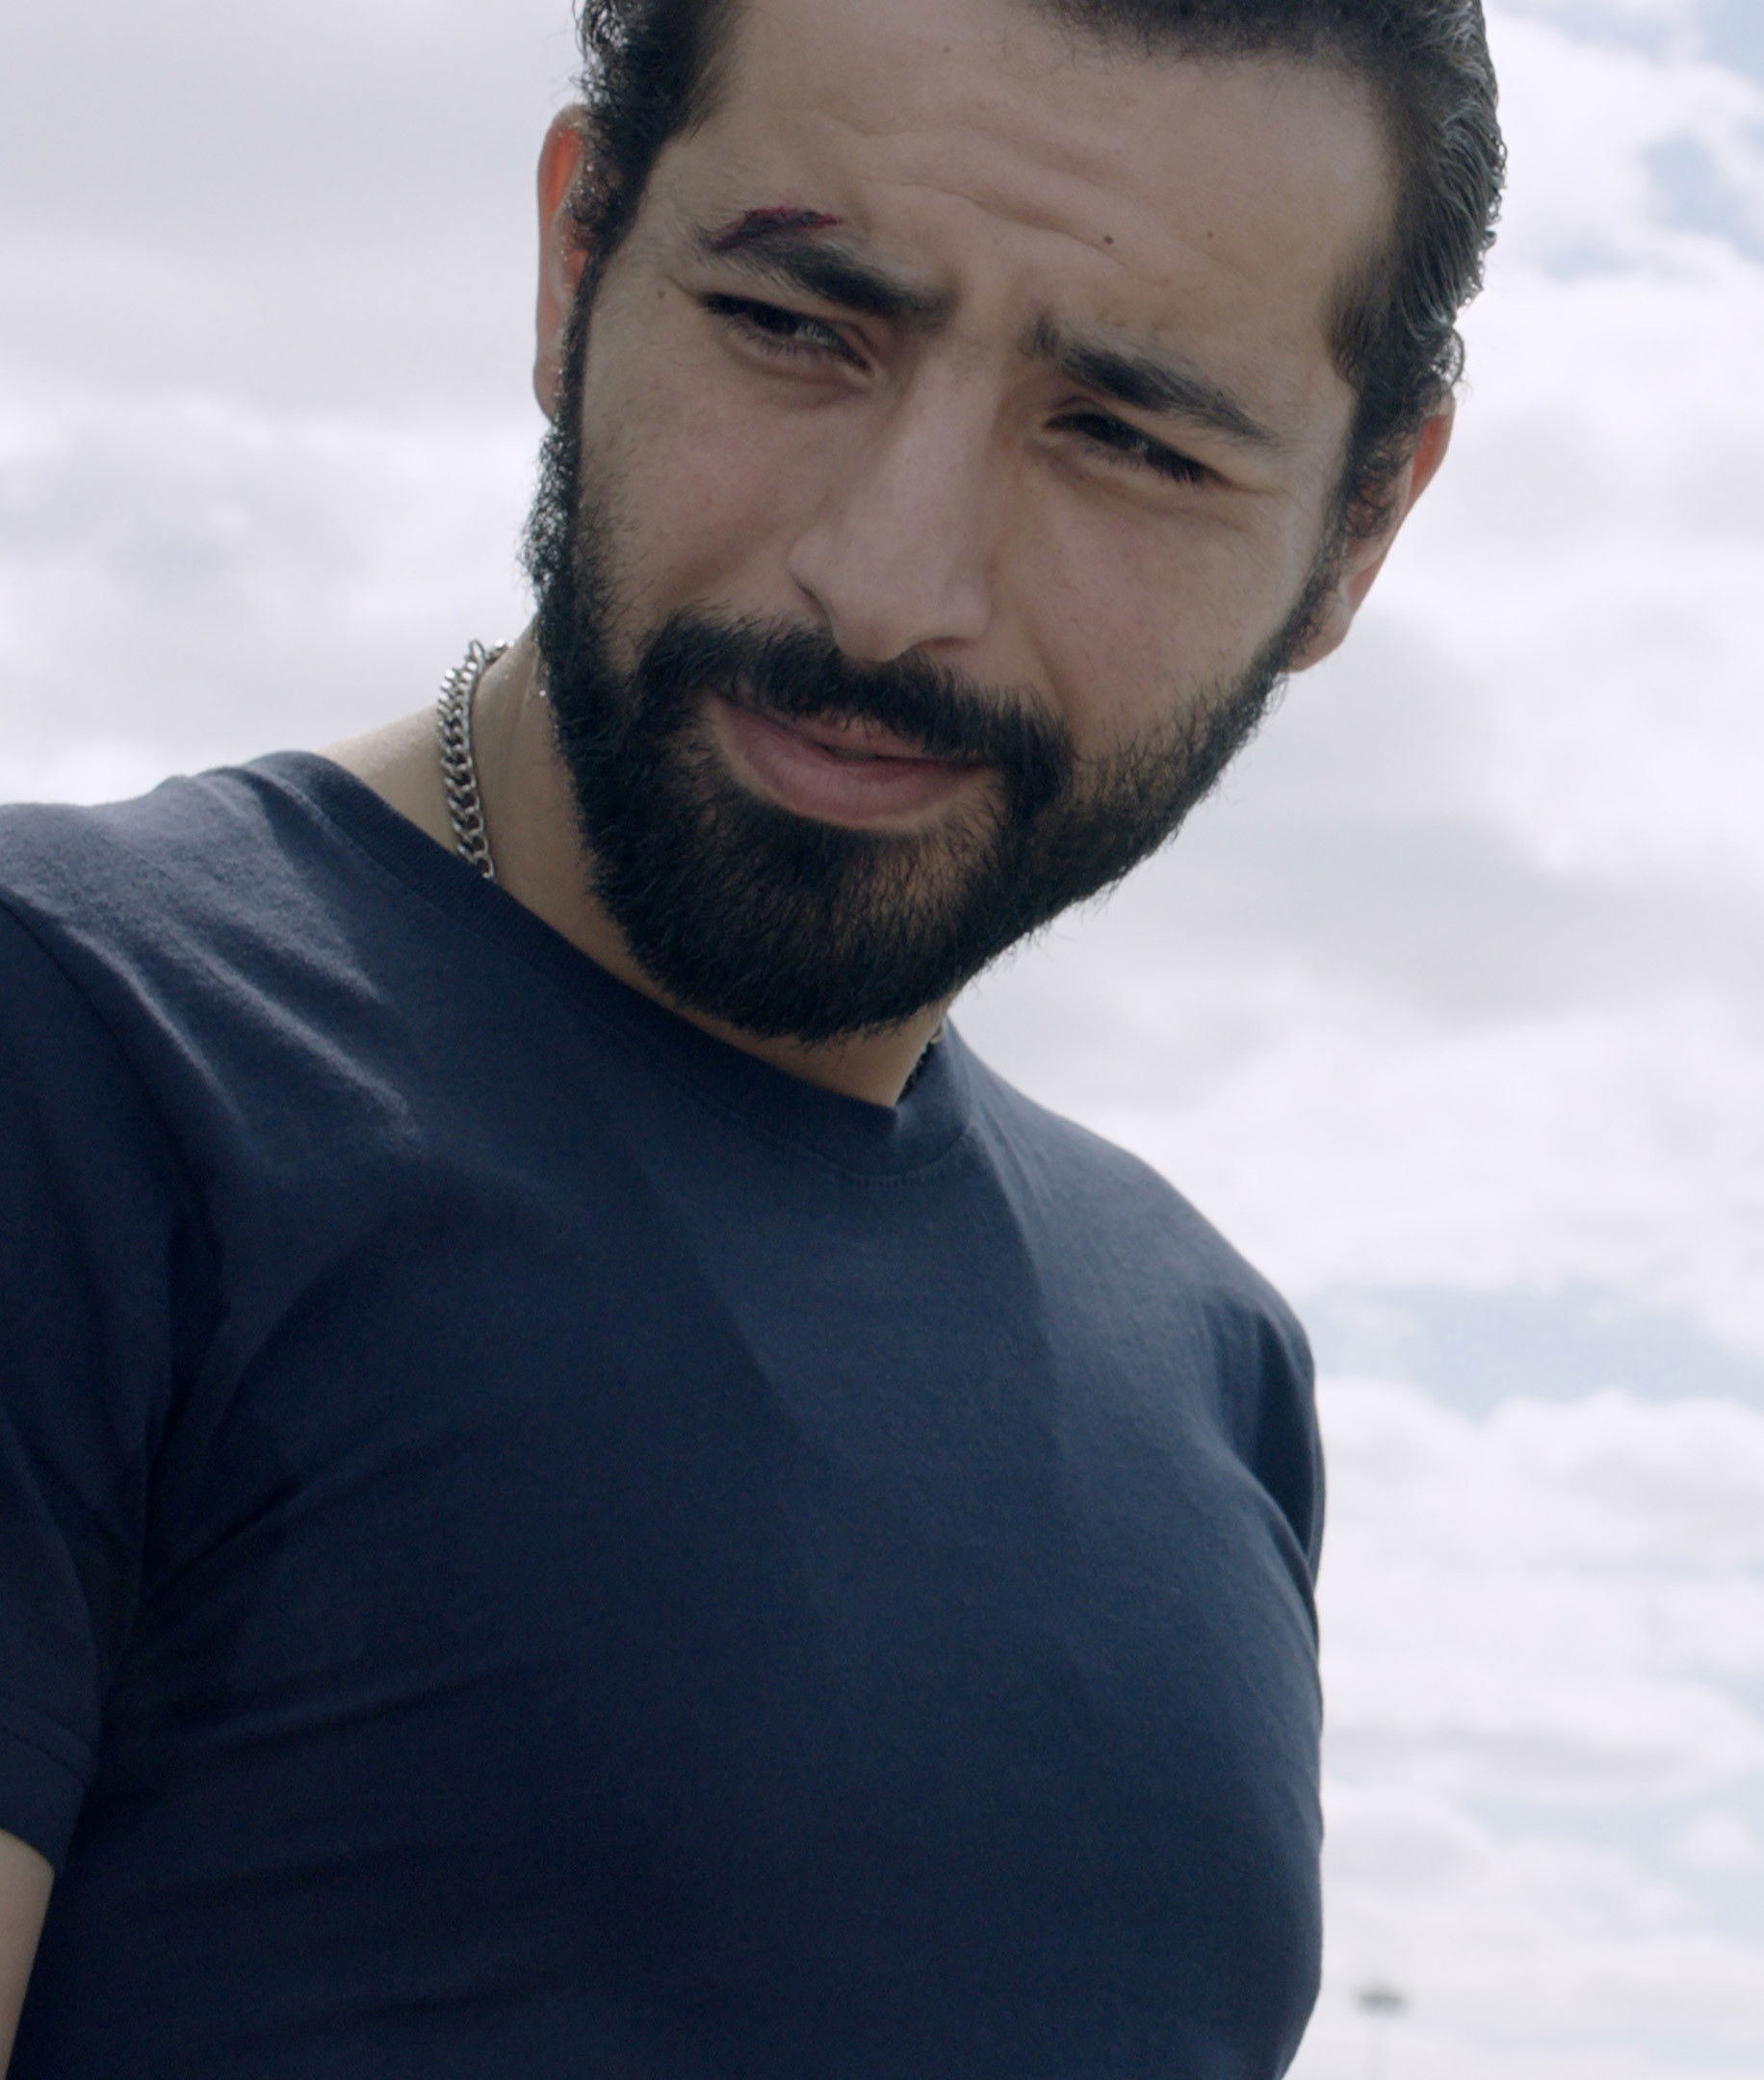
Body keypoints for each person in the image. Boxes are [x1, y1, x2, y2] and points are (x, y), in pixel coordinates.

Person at [0, 0, 1497, 2068]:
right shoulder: (72, 1053)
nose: (887, 584)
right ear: (577, 262)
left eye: (1130, 440)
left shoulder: (1211, 1367)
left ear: (1359, 529)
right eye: (798, 326)